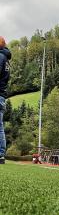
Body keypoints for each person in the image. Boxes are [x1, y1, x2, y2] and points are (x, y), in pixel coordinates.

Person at [0, 37, 11, 165]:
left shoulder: (0, 57)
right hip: (2, 96)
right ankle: (1, 155)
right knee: (0, 127)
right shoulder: (6, 59)